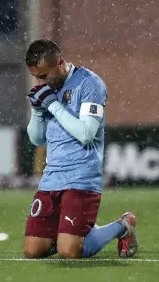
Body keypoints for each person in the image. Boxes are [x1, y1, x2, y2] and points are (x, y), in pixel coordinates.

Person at [24, 39, 137, 259]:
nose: (40, 82)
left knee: (70, 251)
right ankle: (69, 234)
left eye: (44, 76)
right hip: (52, 178)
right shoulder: (47, 90)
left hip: (81, 177)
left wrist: (53, 105)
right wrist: (38, 111)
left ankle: (123, 225)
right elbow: (36, 139)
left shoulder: (89, 84)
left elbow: (86, 134)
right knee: (32, 251)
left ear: (60, 63)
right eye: (36, 77)